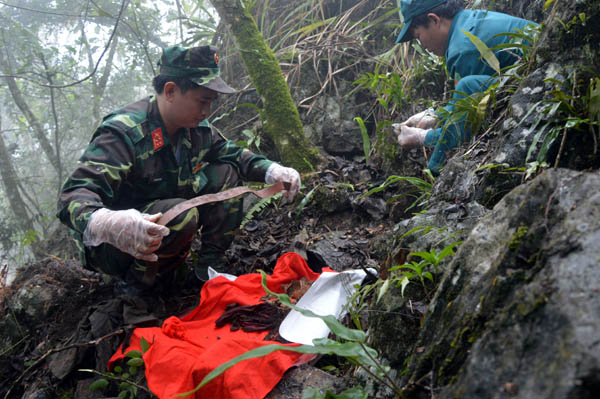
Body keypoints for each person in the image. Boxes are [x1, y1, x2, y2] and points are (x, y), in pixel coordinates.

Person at [57, 45, 301, 292]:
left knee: (226, 174)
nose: (207, 111)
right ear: (171, 91)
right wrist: (106, 222)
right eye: (202, 101)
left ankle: (209, 268)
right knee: (181, 214)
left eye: (211, 102)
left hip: (168, 217)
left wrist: (272, 170)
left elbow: (234, 155)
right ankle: (136, 292)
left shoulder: (196, 129)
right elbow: (73, 196)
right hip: (116, 244)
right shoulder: (124, 132)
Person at [393, 0, 537, 174]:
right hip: (534, 76)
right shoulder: (469, 23)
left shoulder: (463, 50)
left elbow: (466, 125)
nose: (422, 46)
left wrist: (422, 138)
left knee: (467, 85)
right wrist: (435, 115)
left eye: (418, 36)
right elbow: (474, 97)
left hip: (541, 82)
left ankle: (436, 173)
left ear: (434, 20)